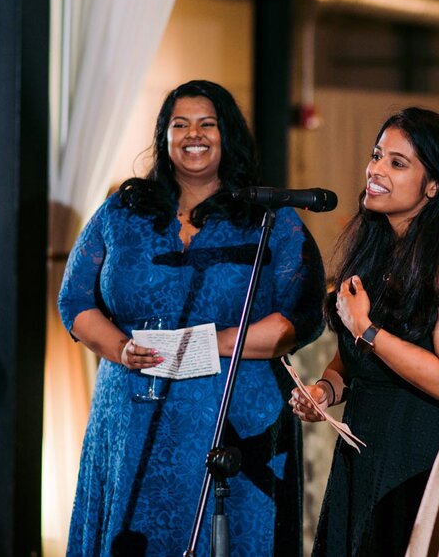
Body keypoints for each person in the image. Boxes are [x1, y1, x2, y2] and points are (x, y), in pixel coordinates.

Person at [58, 80, 326, 556]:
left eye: (207, 123)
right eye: (179, 124)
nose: (192, 134)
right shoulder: (122, 211)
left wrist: (212, 343)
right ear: (163, 136)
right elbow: (74, 302)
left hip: (233, 422)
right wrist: (119, 348)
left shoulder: (267, 218)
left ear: (229, 135)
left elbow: (301, 316)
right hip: (133, 415)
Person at [290, 107, 439, 556]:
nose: (376, 170)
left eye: (398, 163)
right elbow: (355, 359)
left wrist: (368, 329)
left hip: (427, 464)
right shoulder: (378, 253)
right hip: (365, 459)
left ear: (434, 185)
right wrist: (325, 389)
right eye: (377, 156)